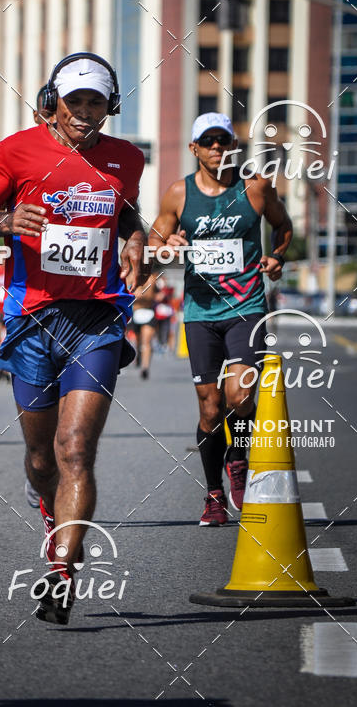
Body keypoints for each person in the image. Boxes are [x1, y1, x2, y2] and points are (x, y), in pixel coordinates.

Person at [0, 52, 146, 624]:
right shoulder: (15, 152)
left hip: (97, 320)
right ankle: (51, 511)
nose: (85, 112)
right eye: (75, 101)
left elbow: (127, 213)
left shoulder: (127, 158)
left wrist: (136, 238)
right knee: (42, 458)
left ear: (110, 107)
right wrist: (2, 222)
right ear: (53, 103)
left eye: (96, 102)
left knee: (75, 449)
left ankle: (61, 573)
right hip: (32, 320)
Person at [149, 113, 292, 527]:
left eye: (223, 140)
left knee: (240, 396)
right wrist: (168, 245)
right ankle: (214, 494)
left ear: (234, 145)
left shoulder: (256, 187)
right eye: (208, 141)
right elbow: (155, 241)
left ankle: (238, 460)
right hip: (200, 312)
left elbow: (283, 225)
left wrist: (277, 256)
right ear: (194, 148)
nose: (216, 147)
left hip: (247, 307)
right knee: (210, 409)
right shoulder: (179, 193)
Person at [132, 276, 158, 380]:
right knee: (138, 341)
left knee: (146, 341)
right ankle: (139, 354)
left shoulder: (151, 278)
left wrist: (139, 295)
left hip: (148, 313)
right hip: (135, 313)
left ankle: (145, 367)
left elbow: (151, 295)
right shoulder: (131, 275)